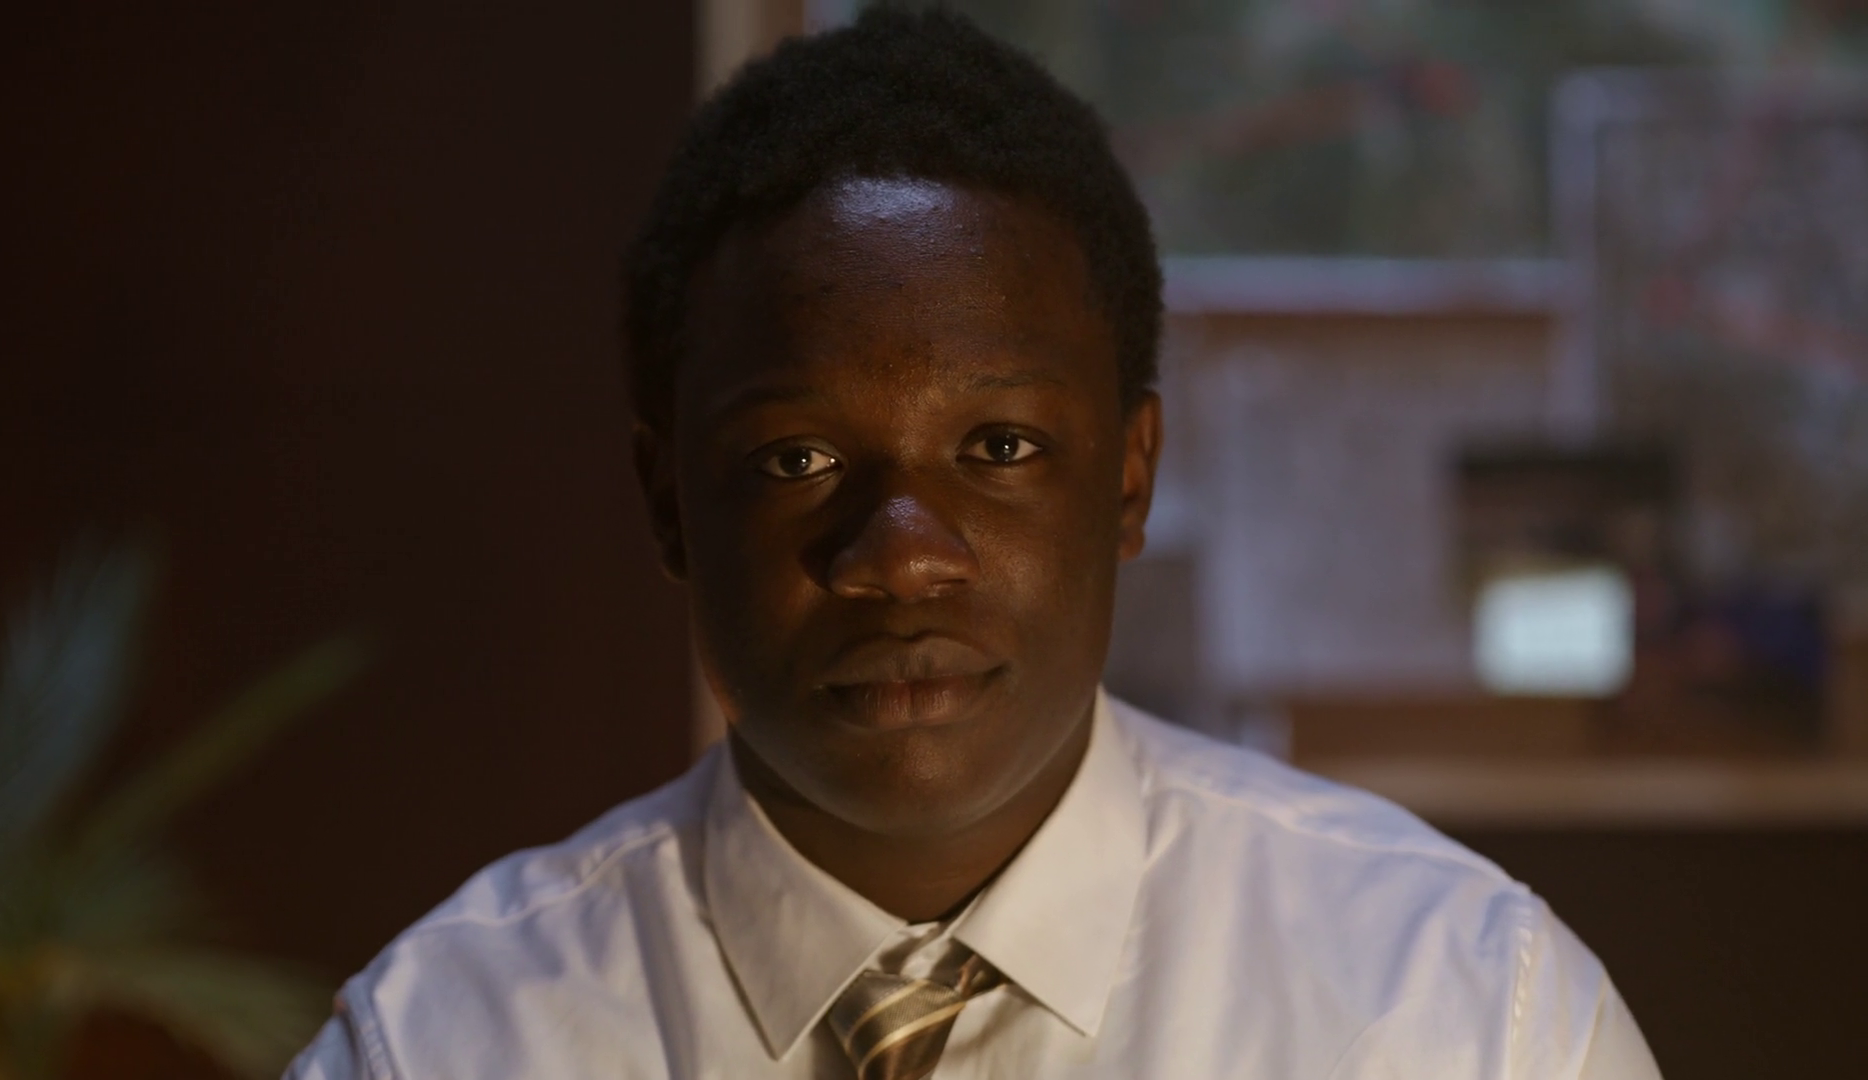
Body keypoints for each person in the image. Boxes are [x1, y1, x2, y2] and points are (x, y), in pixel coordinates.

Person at [286, 8, 1661, 1079]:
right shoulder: (446, 1042)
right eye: (797, 460)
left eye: (999, 448)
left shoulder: (1460, 1017)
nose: (900, 559)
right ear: (670, 507)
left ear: (1129, 478)